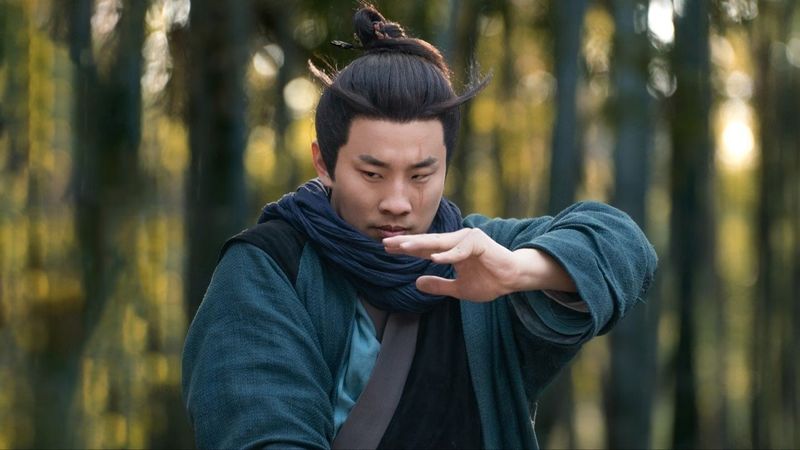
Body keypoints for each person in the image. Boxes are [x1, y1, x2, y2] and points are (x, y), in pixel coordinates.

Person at [182, 4, 657, 449]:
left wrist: (517, 272)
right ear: (323, 162)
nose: (397, 202)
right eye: (372, 174)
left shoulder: (478, 254)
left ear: (446, 166)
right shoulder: (267, 269)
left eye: (420, 175)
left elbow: (623, 244)